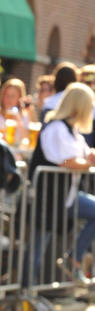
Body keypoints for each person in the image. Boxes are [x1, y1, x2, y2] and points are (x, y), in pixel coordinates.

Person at [28, 82, 95, 284]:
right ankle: (25, 292)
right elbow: (69, 161)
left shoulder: (72, 131)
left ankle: (73, 258)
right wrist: (86, 162)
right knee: (37, 247)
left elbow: (84, 157)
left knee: (39, 247)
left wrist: (87, 160)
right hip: (49, 197)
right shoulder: (57, 127)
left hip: (65, 196)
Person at [0, 77, 37, 143]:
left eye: (13, 96)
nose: (9, 99)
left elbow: (29, 139)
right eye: (7, 95)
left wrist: (19, 122)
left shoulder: (25, 115)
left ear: (19, 98)